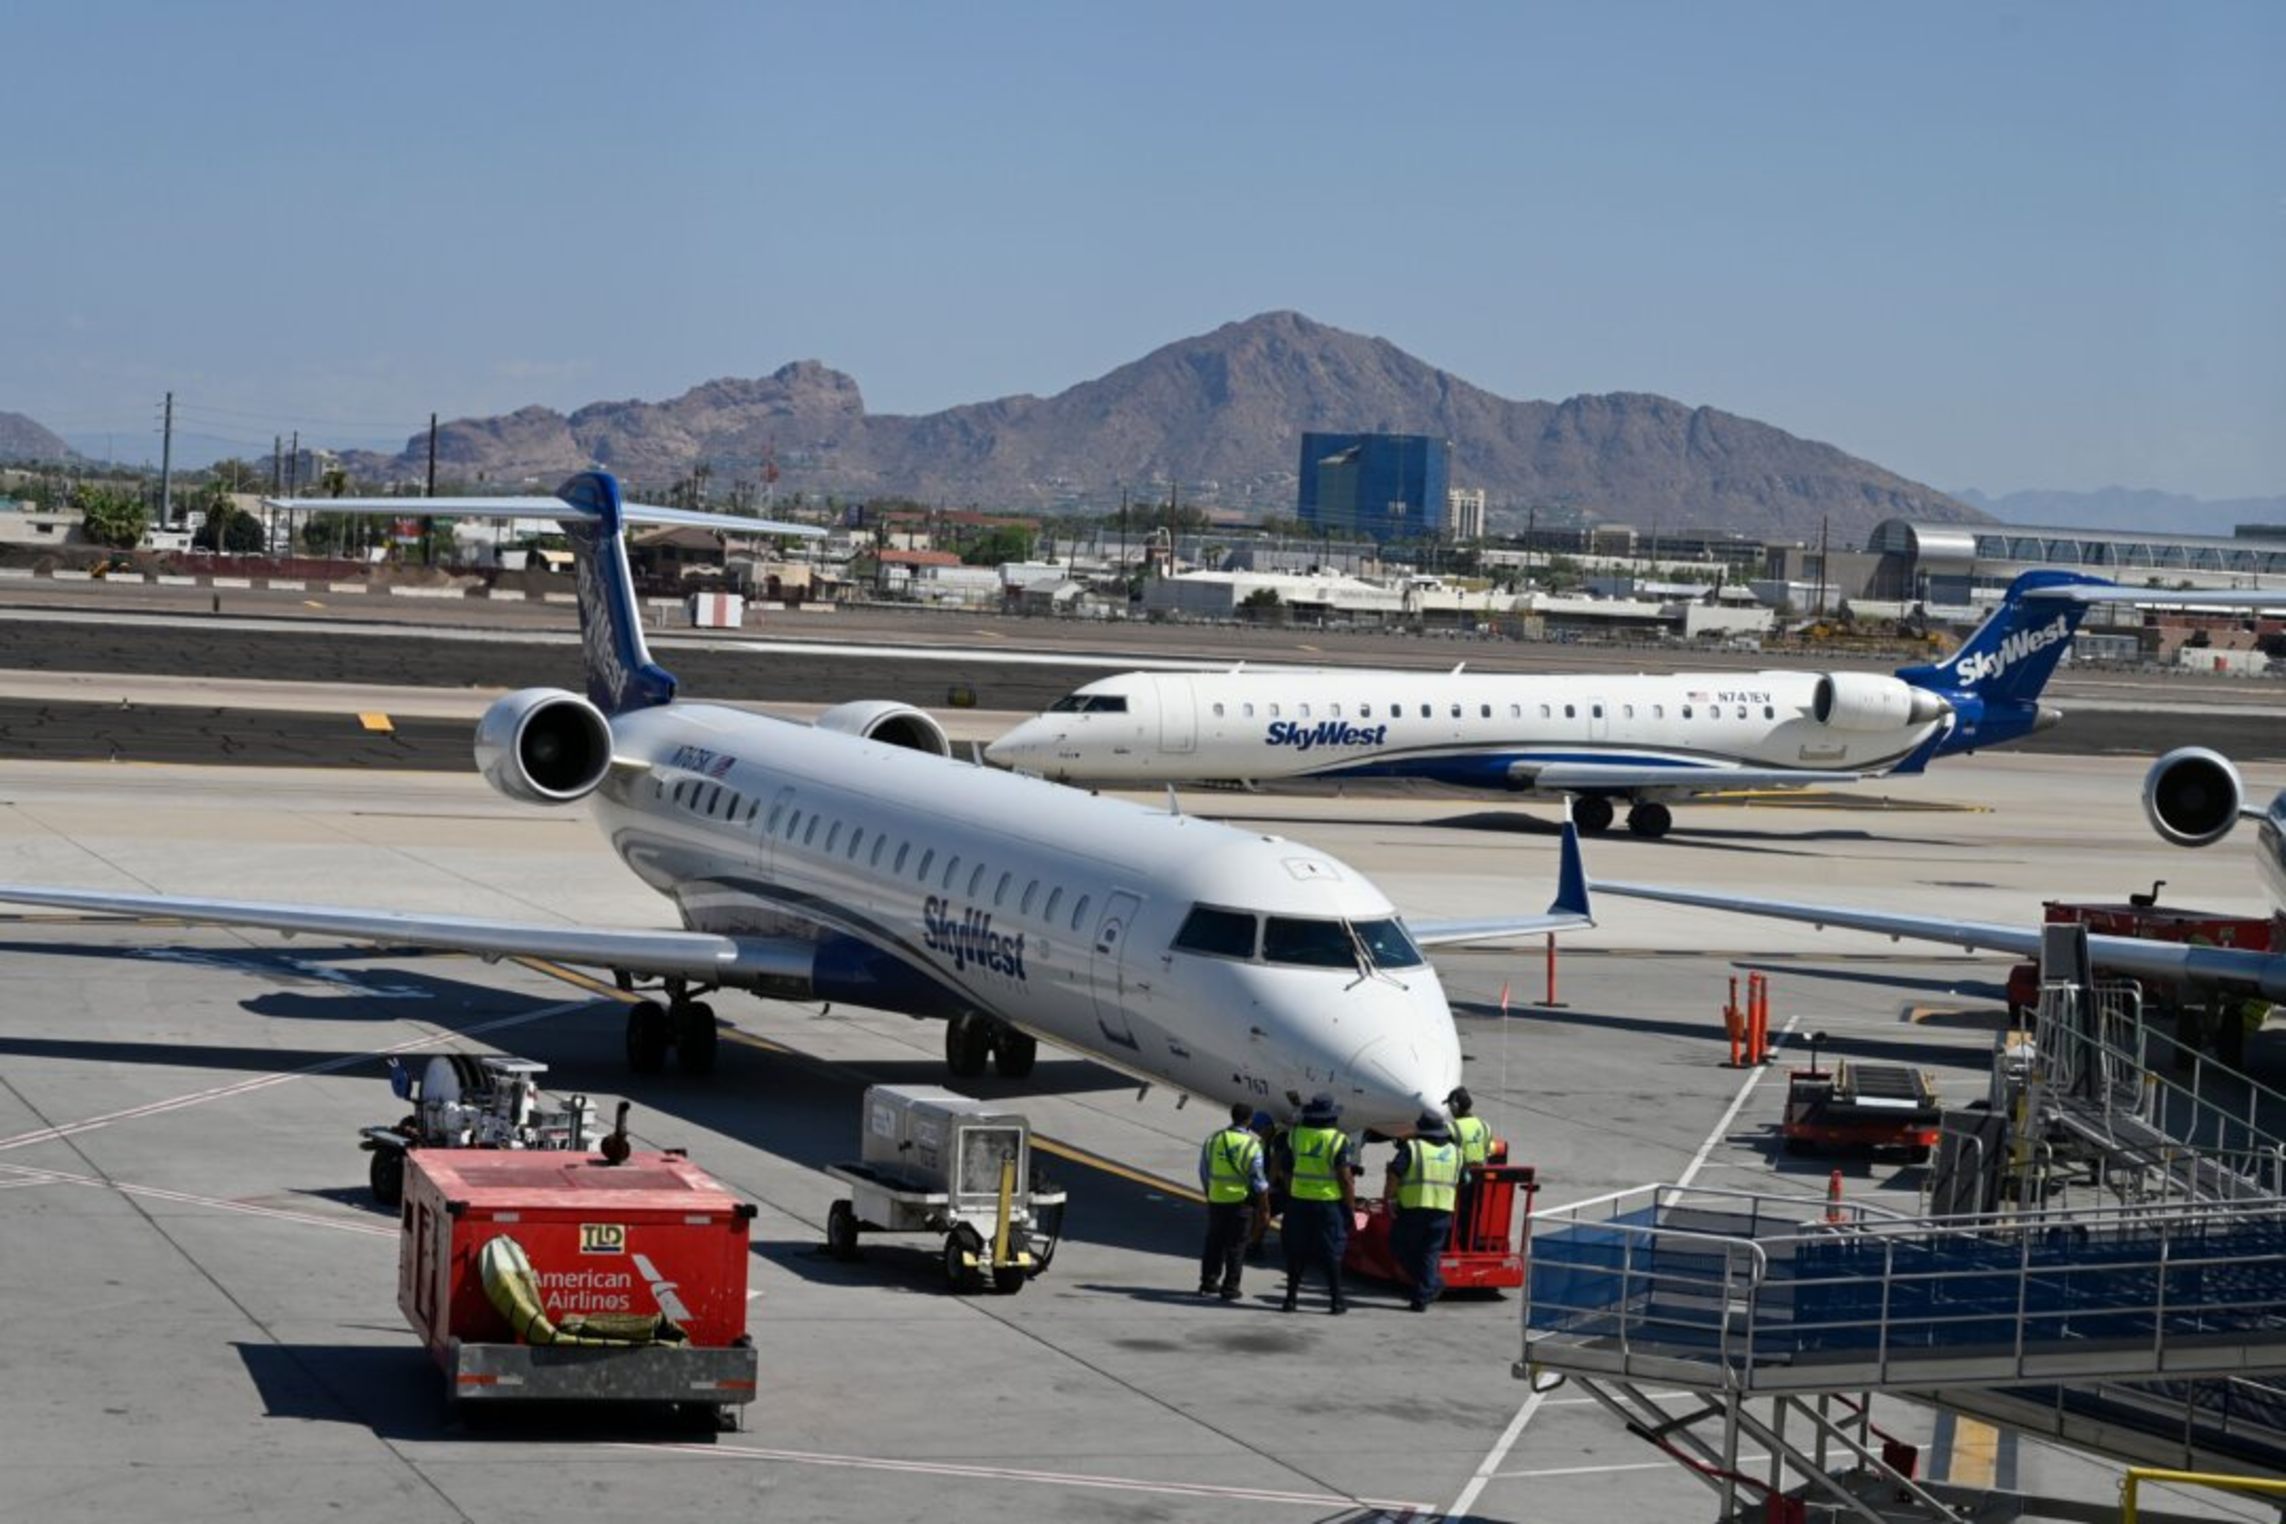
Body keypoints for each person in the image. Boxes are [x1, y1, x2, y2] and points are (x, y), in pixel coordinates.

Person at [1275, 1092, 1355, 1314]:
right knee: (1331, 1252)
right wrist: (1349, 1207)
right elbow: (1345, 1178)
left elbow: (1286, 1170)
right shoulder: (1338, 1140)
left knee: (1296, 1251)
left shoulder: (1296, 1135)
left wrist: (1293, 1192)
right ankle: (1336, 1301)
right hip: (1328, 1204)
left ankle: (1290, 1300)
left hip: (1299, 1202)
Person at [1384, 1111, 1461, 1312]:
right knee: (1430, 1252)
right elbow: (1465, 1179)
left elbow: (1394, 1172)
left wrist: (1390, 1198)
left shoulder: (1414, 1147)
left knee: (1399, 1246)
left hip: (1414, 1208)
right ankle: (1423, 1294)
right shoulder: (1455, 1151)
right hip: (1443, 1210)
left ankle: (1431, 1283)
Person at [1197, 1101, 1268, 1301]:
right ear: (1249, 1120)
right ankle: (1230, 1288)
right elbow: (1258, 1179)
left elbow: (1204, 1171)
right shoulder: (1252, 1145)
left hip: (1217, 1199)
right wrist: (1263, 1205)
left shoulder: (1214, 1139)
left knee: (1214, 1242)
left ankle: (1208, 1282)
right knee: (1236, 1246)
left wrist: (1211, 1193)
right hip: (1240, 1202)